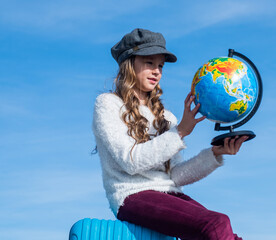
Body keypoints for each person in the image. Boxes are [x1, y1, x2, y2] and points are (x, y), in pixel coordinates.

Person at [92, 28, 248, 240]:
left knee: (229, 233)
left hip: (171, 195)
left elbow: (175, 176)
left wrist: (215, 154)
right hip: (131, 195)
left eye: (160, 66)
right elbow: (129, 161)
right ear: (129, 63)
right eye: (149, 63)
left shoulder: (166, 117)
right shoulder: (108, 104)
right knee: (216, 224)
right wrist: (180, 132)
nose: (157, 71)